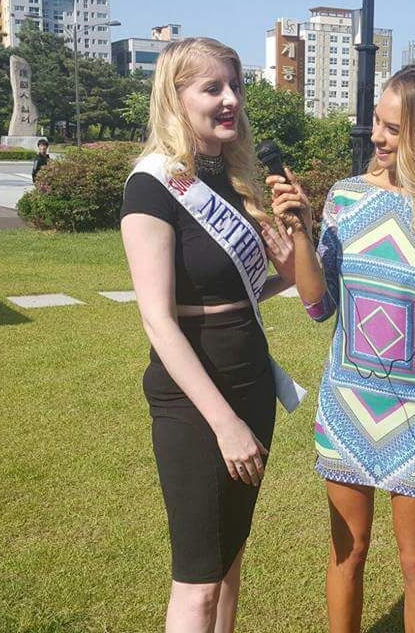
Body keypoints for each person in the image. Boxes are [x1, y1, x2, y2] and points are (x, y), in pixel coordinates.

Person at [266, 64, 415, 633]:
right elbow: (319, 306)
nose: (377, 137)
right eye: (377, 123)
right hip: (347, 408)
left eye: (394, 129)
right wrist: (303, 232)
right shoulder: (346, 197)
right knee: (347, 550)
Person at [119, 37, 297, 633]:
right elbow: (158, 319)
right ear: (175, 98)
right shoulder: (152, 186)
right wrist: (225, 424)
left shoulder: (232, 178)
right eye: (212, 88)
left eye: (235, 87)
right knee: (197, 584)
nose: (230, 101)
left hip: (250, 382)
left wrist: (288, 269)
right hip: (195, 400)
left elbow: (236, 290)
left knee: (229, 564)